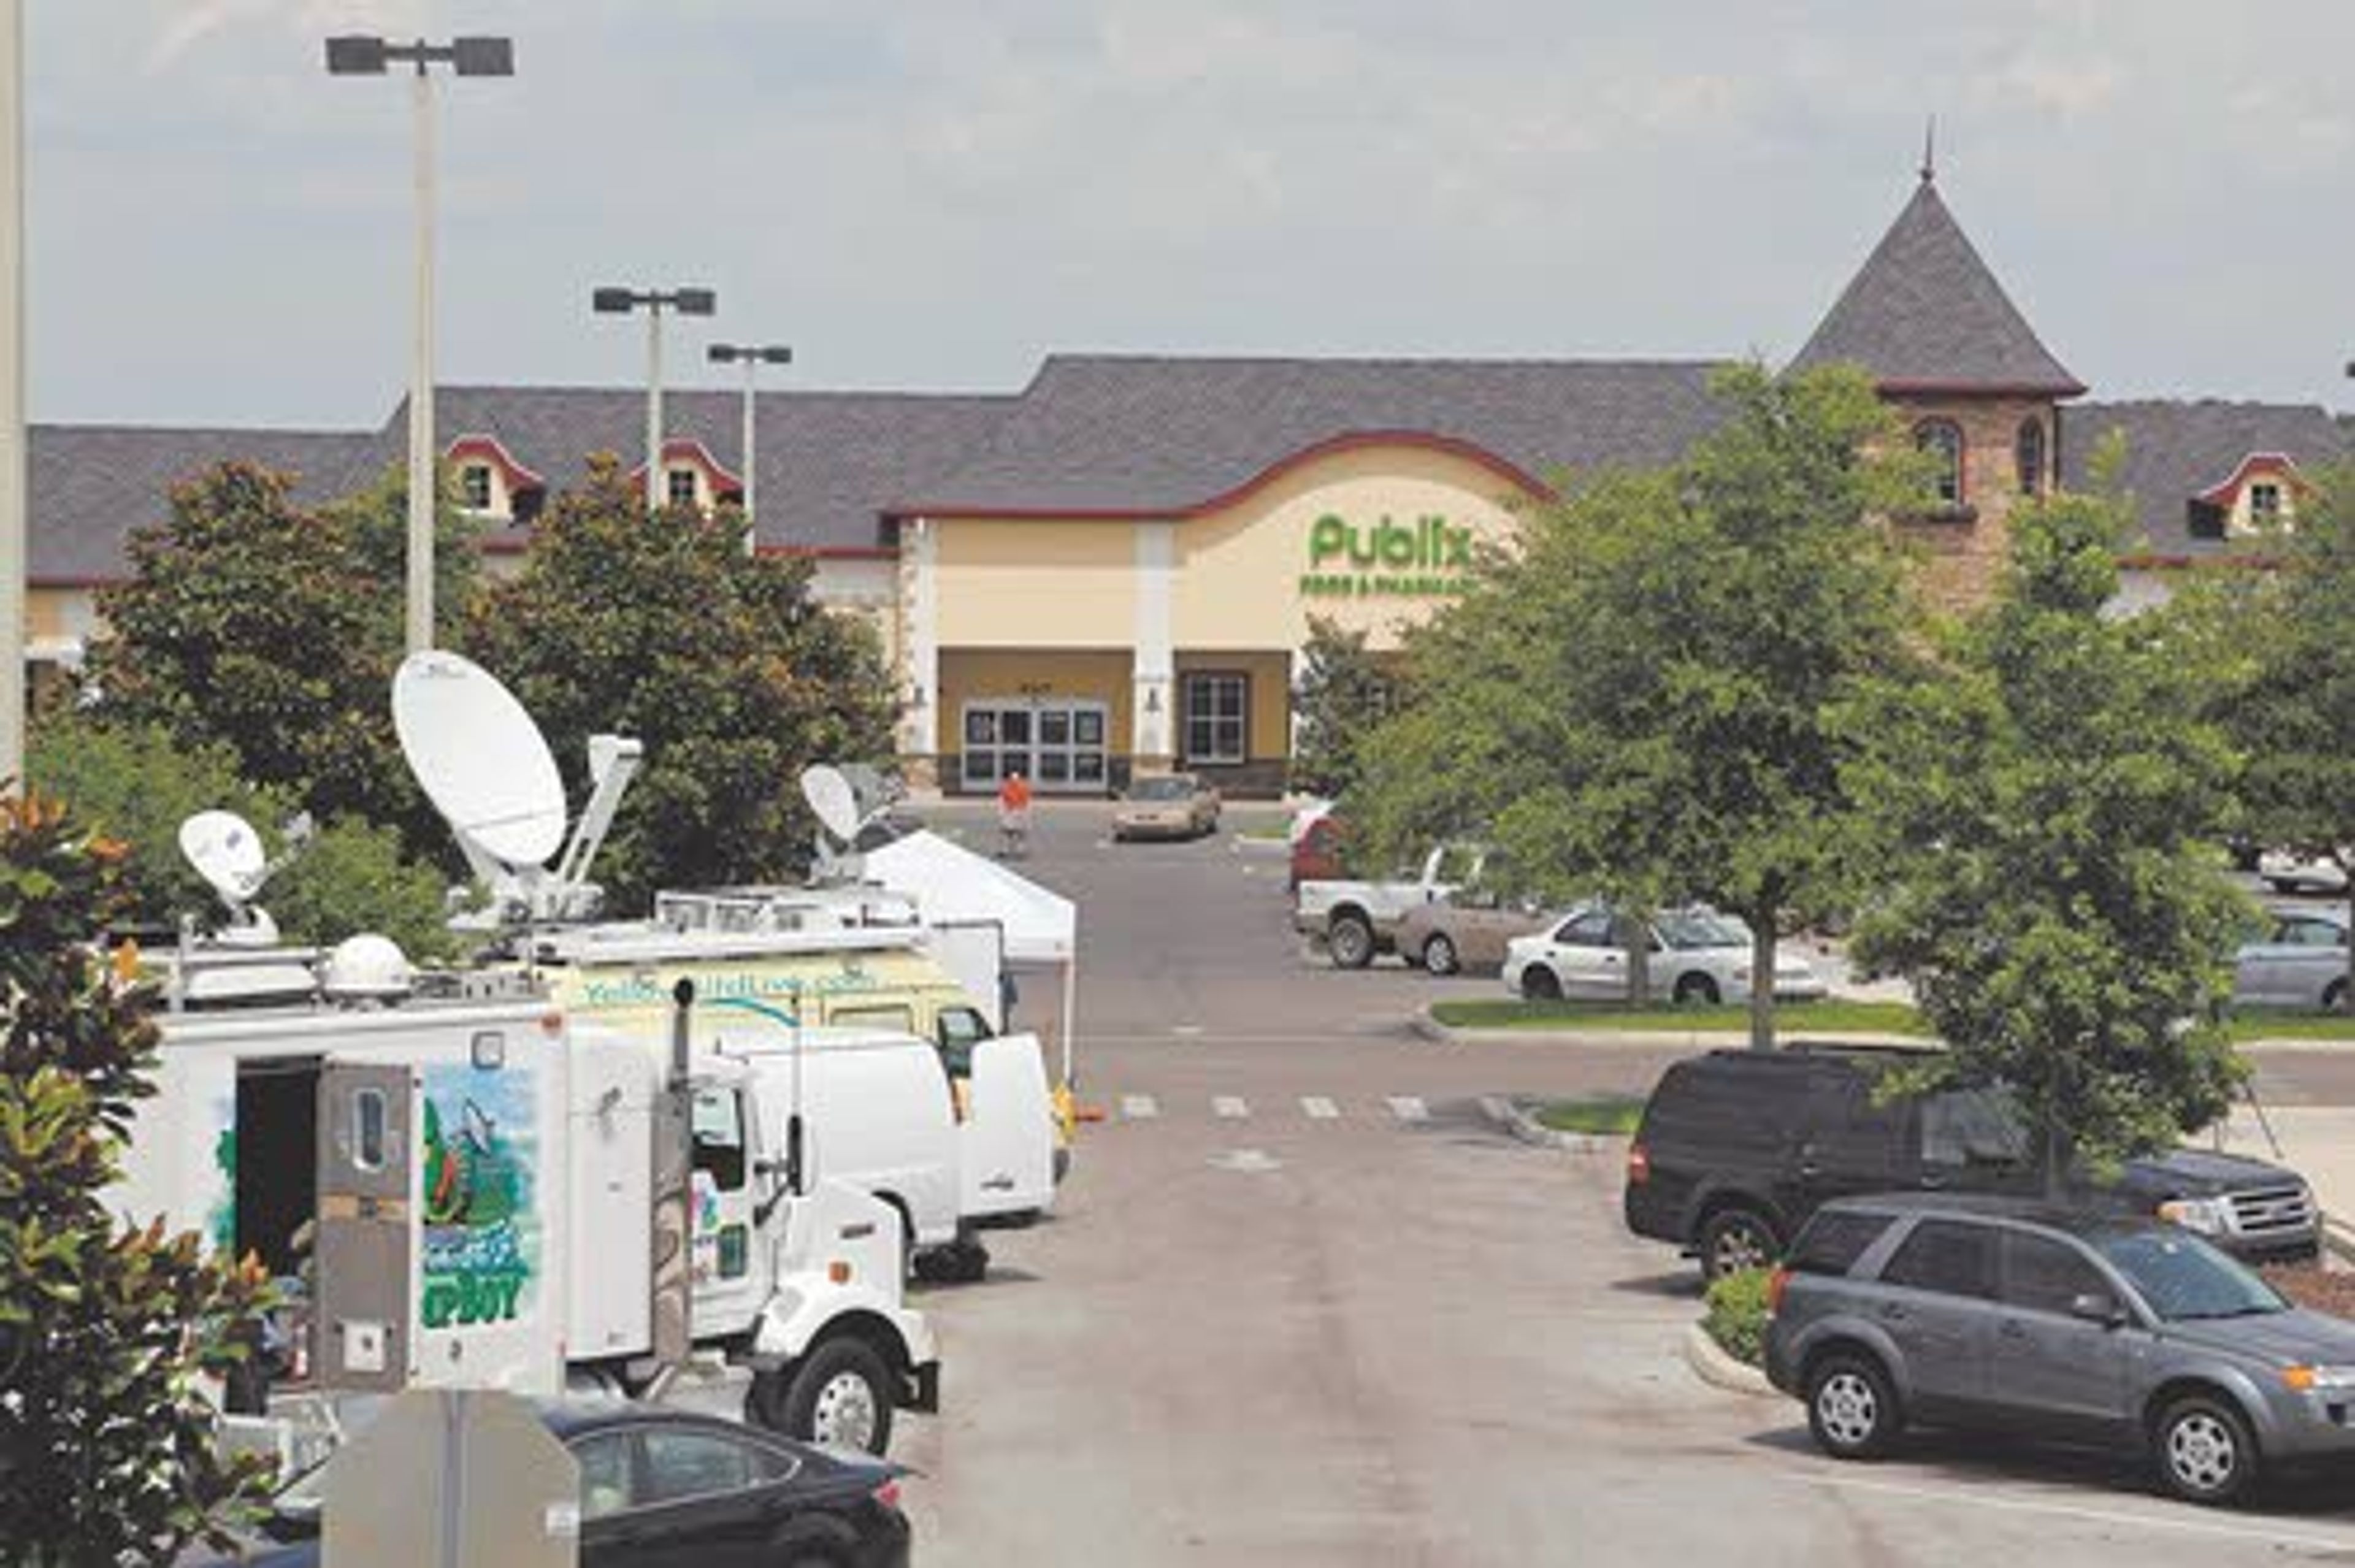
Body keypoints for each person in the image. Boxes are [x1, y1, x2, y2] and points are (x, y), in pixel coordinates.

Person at [997, 770, 1033, 859]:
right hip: (1018, 812)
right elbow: (1028, 802)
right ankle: (1019, 851)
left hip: (1012, 812)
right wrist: (1027, 814)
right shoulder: (1024, 787)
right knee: (1019, 833)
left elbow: (1002, 801)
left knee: (1009, 833)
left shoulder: (1006, 787)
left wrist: (1001, 812)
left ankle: (1006, 851)